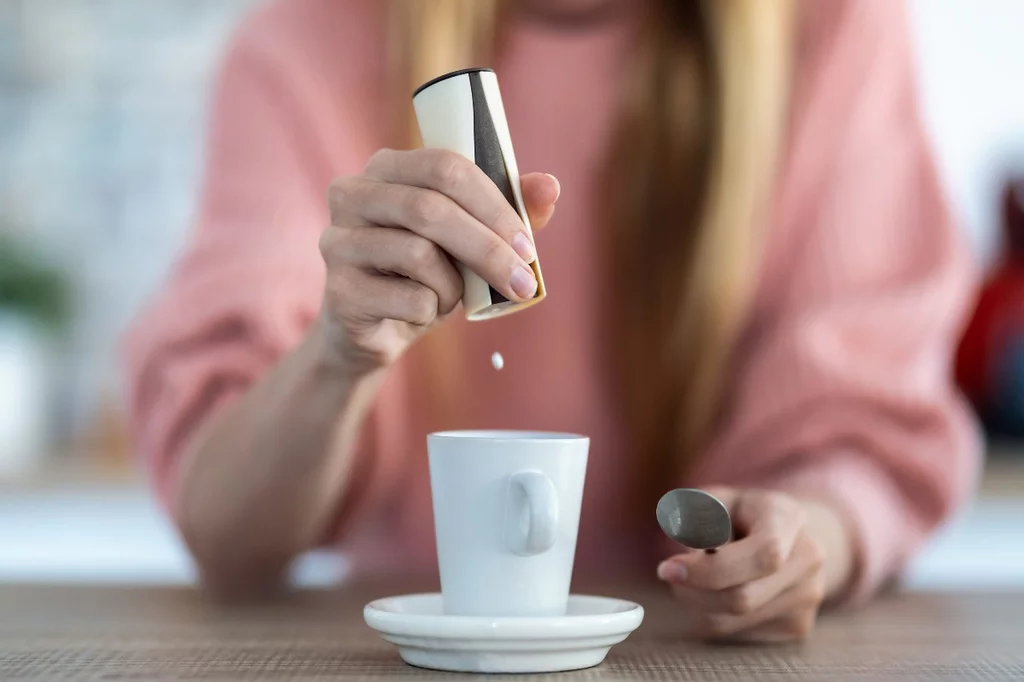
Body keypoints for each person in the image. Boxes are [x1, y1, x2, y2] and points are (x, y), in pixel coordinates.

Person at [122, 0, 981, 642]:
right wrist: (336, 354)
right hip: (416, 654)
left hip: (706, 651)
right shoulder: (306, 42)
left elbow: (864, 436)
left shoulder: (831, 31)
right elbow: (228, 532)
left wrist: (801, 542)